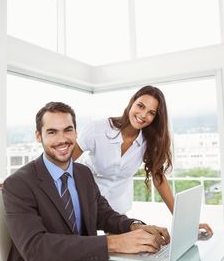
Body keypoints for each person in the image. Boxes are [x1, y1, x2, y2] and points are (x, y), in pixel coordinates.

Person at [2, 101, 170, 261]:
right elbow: (35, 248)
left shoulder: (83, 173)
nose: (62, 139)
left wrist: (135, 226)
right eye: (52, 132)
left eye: (68, 130)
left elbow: (103, 215)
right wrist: (112, 243)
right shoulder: (18, 184)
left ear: (76, 133)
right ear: (39, 136)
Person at [73, 85, 212, 234]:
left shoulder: (149, 141)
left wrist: (185, 221)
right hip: (83, 206)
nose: (143, 115)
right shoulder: (98, 129)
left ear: (155, 118)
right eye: (140, 106)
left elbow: (159, 178)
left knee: (128, 252)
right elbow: (64, 163)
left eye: (151, 113)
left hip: (116, 213)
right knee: (85, 251)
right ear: (132, 102)